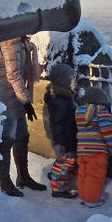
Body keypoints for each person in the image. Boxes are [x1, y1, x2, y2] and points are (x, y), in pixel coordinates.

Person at [0, 36, 46, 196]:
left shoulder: (20, 43)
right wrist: (26, 102)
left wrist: (24, 101)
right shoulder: (8, 44)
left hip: (17, 97)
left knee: (22, 136)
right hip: (6, 97)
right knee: (6, 140)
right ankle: (5, 181)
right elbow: (13, 75)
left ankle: (23, 177)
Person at [75, 86, 112, 207]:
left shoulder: (79, 112)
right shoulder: (102, 111)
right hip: (97, 151)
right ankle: (91, 200)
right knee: (94, 176)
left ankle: (83, 196)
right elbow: (107, 131)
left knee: (83, 174)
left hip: (82, 150)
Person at [43, 62, 78, 198]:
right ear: (63, 80)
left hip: (66, 136)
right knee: (65, 163)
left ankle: (56, 176)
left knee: (64, 163)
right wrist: (59, 143)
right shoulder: (61, 100)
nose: (72, 80)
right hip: (64, 139)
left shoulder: (62, 95)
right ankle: (58, 189)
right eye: (70, 77)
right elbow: (57, 123)